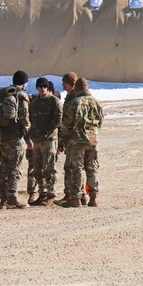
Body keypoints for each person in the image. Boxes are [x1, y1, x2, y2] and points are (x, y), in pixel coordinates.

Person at [58, 76, 104, 208]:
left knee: (77, 168)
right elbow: (100, 122)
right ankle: (93, 197)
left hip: (77, 140)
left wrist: (65, 138)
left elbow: (67, 123)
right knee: (92, 167)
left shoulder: (75, 102)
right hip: (93, 139)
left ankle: (77, 198)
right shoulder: (96, 103)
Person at [0, 71, 32, 209]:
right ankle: (12, 197)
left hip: (3, 136)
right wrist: (28, 136)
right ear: (24, 82)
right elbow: (24, 117)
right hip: (16, 137)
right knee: (15, 168)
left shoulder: (5, 93)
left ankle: (2, 197)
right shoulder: (21, 96)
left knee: (3, 167)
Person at [28, 77, 63, 206]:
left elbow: (58, 120)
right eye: (40, 86)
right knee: (37, 168)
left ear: (48, 88)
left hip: (48, 139)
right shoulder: (34, 101)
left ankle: (51, 193)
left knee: (49, 167)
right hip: (36, 139)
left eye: (44, 87)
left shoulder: (54, 101)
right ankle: (42, 193)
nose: (42, 89)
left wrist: (46, 132)